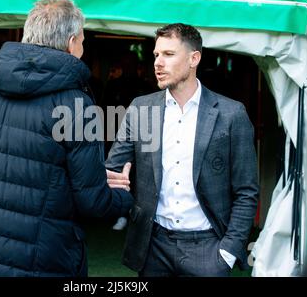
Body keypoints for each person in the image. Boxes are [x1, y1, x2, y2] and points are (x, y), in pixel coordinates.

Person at [0, 0, 133, 277]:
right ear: (71, 43)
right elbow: (92, 203)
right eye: (82, 41)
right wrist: (124, 197)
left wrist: (89, 176)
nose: (82, 48)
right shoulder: (78, 104)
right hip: (34, 260)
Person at [105, 23, 259, 277]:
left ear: (194, 58)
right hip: (153, 247)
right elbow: (112, 170)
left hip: (208, 249)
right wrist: (113, 180)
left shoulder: (232, 114)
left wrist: (228, 252)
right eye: (156, 55)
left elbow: (247, 191)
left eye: (168, 54)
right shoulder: (140, 109)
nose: (158, 62)